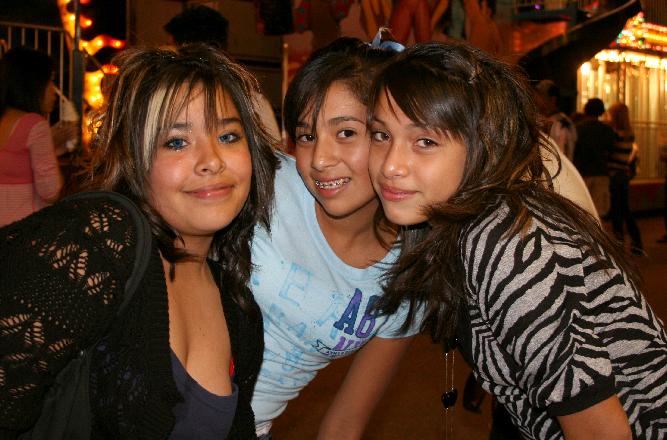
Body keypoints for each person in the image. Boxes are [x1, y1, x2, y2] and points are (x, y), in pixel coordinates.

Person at [367, 41, 667, 439]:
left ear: (483, 147)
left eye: (425, 141)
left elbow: (603, 432)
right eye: (380, 134)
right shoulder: (455, 225)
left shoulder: (503, 241)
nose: (390, 165)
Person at [0, 44, 278, 438]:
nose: (212, 160)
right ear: (133, 160)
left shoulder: (240, 311)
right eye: (176, 142)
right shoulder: (100, 243)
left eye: (229, 135)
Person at [250, 35, 420, 439]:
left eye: (345, 132)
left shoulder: (410, 274)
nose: (320, 160)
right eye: (306, 136)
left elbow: (345, 424)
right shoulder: (264, 182)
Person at [164, 4, 282, 146]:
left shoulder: (249, 101)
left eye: (171, 49)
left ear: (187, 51)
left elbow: (274, 154)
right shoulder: (252, 99)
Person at [0, 47, 64, 227]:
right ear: (33, 84)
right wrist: (52, 150)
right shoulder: (35, 125)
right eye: (50, 82)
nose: (54, 91)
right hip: (25, 230)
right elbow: (50, 191)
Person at [607, 102, 643, 254]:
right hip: (623, 174)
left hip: (614, 174)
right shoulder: (629, 133)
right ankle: (637, 242)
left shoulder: (614, 134)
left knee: (616, 211)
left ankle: (619, 244)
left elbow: (611, 154)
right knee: (625, 210)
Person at [573, 97, 615, 217]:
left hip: (582, 173)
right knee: (598, 212)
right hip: (601, 172)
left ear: (586, 110)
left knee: (582, 210)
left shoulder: (578, 129)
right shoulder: (607, 130)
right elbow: (611, 151)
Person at [535, 79, 577, 161]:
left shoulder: (559, 124)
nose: (536, 99)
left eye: (541, 95)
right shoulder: (559, 120)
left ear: (552, 99)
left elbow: (562, 155)